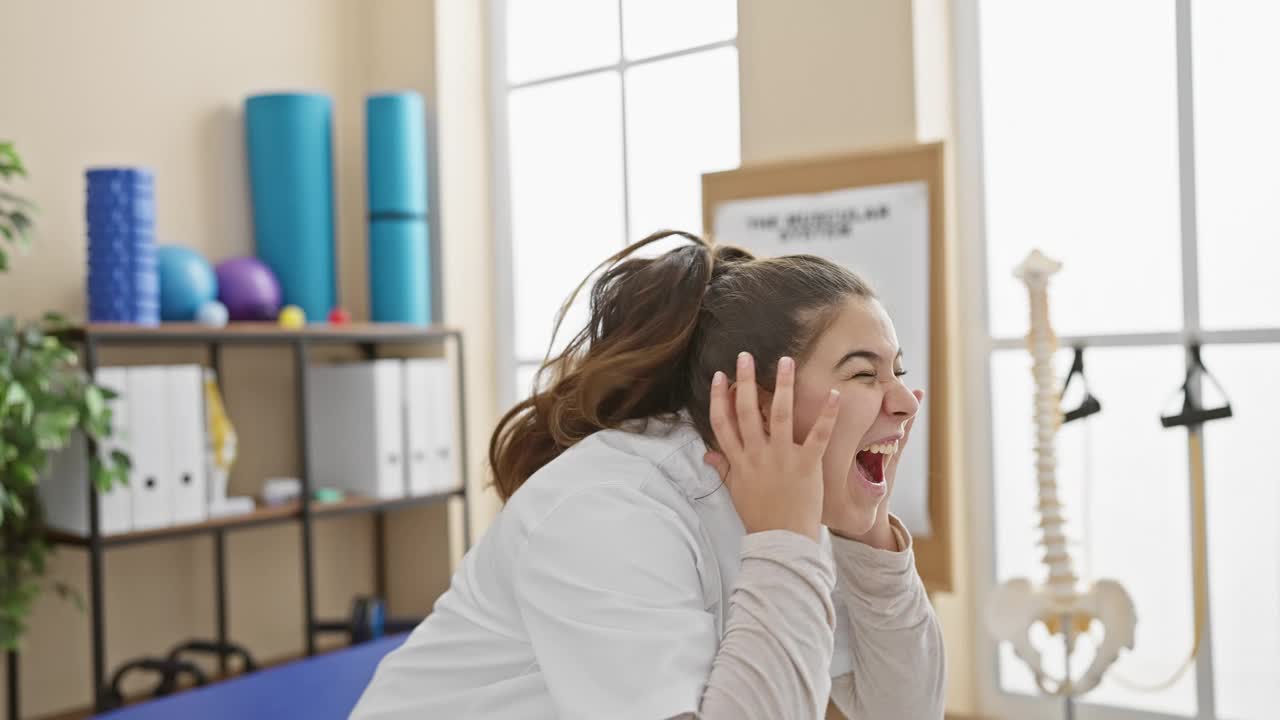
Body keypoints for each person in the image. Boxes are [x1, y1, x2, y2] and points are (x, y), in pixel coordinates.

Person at [351, 230, 946, 719]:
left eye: (897, 370)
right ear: (758, 401)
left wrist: (867, 542)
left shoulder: (783, 505)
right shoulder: (609, 509)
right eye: (865, 374)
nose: (905, 401)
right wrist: (787, 546)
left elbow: (904, 710)